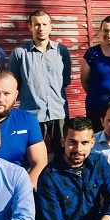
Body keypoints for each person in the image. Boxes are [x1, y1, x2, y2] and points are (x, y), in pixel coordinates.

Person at [8, 10, 71, 157]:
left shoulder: (61, 51)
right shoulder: (20, 53)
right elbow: (13, 84)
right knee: (31, 156)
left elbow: (65, 80)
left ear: (50, 27)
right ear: (30, 27)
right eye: (36, 24)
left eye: (44, 24)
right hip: (32, 114)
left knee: (63, 155)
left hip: (58, 112)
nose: (41, 28)